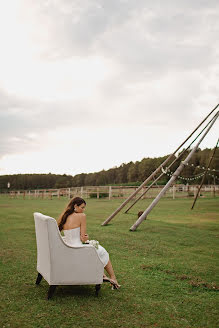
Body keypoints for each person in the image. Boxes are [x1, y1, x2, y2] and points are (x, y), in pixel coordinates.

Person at [57, 197, 120, 289]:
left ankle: (103, 275)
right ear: (75, 206)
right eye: (82, 207)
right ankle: (113, 278)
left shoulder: (65, 216)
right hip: (77, 249)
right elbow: (83, 239)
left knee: (97, 251)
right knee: (102, 251)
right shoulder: (82, 216)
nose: (83, 210)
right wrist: (86, 237)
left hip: (68, 248)